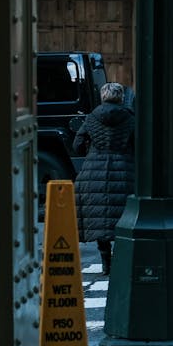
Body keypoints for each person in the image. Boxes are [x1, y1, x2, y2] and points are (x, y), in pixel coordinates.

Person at [72, 82, 136, 276]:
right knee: (123, 215)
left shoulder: (92, 117)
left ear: (102, 96)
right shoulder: (130, 118)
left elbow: (77, 144)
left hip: (94, 169)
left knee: (99, 217)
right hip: (124, 169)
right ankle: (121, 259)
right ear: (121, 97)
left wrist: (91, 151)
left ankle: (105, 261)